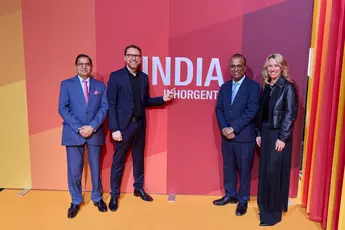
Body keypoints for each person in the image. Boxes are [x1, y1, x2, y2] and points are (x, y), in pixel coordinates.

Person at [107, 44, 175, 212]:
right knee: (118, 162)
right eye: (130, 55)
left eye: (137, 56)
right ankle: (114, 195)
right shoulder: (115, 77)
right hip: (122, 128)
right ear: (124, 57)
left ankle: (138, 188)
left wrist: (162, 99)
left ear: (140, 58)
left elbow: (145, 101)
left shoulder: (144, 78)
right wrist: (114, 129)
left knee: (139, 159)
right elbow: (111, 105)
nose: (133, 58)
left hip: (140, 124)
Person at [58, 54, 109, 218]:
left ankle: (97, 197)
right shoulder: (66, 84)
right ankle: (75, 200)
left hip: (94, 133)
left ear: (91, 67)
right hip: (74, 133)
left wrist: (92, 127)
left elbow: (105, 107)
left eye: (87, 64)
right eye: (80, 64)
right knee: (74, 170)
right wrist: (80, 128)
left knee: (95, 169)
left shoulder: (100, 86)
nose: (84, 67)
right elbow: (62, 109)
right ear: (75, 67)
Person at [215, 54, 260, 216]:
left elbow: (251, 111)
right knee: (228, 168)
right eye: (232, 66)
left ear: (244, 68)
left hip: (244, 137)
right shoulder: (224, 87)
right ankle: (230, 195)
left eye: (238, 66)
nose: (235, 69)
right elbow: (219, 109)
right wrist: (224, 128)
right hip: (226, 136)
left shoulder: (253, 87)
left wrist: (232, 128)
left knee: (245, 170)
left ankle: (242, 200)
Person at [256, 53, 298, 226]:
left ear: (282, 67)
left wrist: (282, 138)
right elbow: (262, 113)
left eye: (276, 65)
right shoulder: (267, 86)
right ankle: (264, 206)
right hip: (265, 134)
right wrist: (259, 132)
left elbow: (290, 114)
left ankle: (273, 215)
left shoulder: (288, 87)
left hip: (278, 136)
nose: (272, 69)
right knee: (265, 172)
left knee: (274, 173)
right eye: (269, 66)